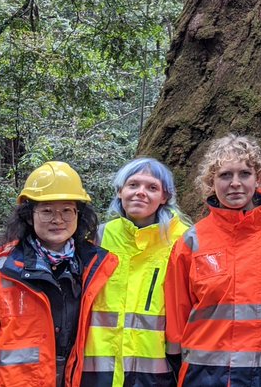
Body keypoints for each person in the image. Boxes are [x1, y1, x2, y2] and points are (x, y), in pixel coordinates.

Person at [0, 161, 118, 387]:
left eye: (66, 210)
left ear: (78, 215)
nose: (58, 219)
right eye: (47, 211)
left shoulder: (97, 268)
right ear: (29, 216)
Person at [165, 134, 261, 386]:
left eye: (244, 174)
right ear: (211, 182)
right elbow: (177, 311)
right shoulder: (192, 240)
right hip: (203, 373)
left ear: (259, 178)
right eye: (225, 175)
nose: (235, 183)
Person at [82, 157, 191, 387]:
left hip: (158, 371)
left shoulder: (183, 240)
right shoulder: (98, 237)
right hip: (99, 369)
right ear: (120, 191)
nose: (141, 192)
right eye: (133, 185)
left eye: (152, 187)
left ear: (165, 197)